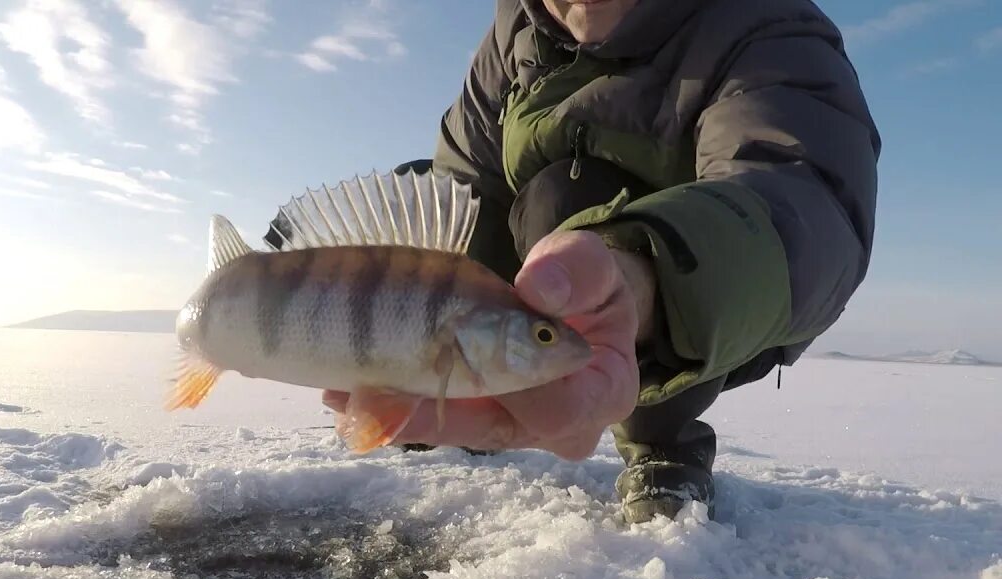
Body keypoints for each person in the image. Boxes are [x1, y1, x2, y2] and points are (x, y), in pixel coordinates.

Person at [319, 0, 880, 523]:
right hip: (546, 282)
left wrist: (642, 276)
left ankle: (660, 438)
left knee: (561, 200)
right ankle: (457, 391)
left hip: (691, 302)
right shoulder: (518, 30)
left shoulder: (764, 21)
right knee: (424, 194)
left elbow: (805, 197)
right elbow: (459, 178)